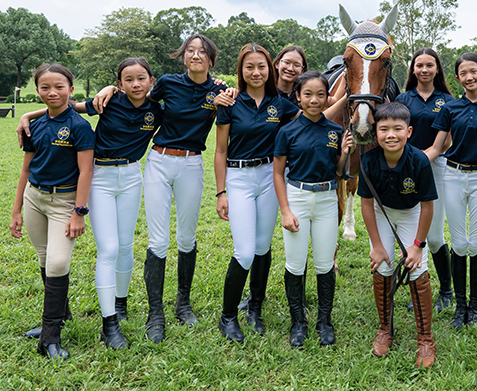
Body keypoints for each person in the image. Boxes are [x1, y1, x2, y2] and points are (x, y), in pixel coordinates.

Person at [18, 58, 163, 350]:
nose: (135, 84)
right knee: (108, 249)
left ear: (151, 81)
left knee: (125, 246)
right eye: (128, 79)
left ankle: (120, 305)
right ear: (119, 83)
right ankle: (109, 323)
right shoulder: (106, 102)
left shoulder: (157, 110)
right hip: (101, 178)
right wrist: (28, 116)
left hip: (133, 175)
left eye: (141, 79)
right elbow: (64, 106)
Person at [92, 34, 229, 343]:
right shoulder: (167, 83)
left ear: (211, 59)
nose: (195, 56)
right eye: (190, 51)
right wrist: (111, 88)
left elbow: (235, 106)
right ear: (183, 57)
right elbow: (137, 97)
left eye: (202, 52)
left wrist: (227, 93)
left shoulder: (219, 90)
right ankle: (156, 314)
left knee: (186, 237)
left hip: (192, 164)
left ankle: (183, 302)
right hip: (159, 161)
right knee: (158, 240)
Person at [215, 44, 299, 342]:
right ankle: (227, 317)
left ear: (270, 69)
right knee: (245, 250)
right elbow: (221, 150)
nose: (256, 72)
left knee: (263, 247)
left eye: (261, 66)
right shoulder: (229, 102)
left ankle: (255, 307)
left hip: (269, 177)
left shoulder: (281, 103)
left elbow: (315, 114)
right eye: (249, 66)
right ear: (241, 70)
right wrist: (221, 192)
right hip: (238, 177)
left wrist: (345, 97)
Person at [10, 63, 94, 359]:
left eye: (59, 86)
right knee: (45, 258)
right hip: (35, 198)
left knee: (58, 263)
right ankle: (61, 313)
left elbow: (86, 172)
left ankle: (49, 338)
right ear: (37, 91)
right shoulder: (33, 124)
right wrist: (17, 209)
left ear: (71, 90)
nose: (52, 92)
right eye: (45, 87)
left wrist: (79, 212)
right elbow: (25, 168)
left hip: (64, 203)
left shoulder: (80, 127)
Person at [426, 52, 477, 329]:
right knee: (459, 243)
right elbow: (437, 148)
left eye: (473, 71)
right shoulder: (450, 108)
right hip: (453, 175)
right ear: (457, 78)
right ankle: (460, 306)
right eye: (463, 73)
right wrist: (407, 162)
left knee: (476, 244)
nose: (469, 77)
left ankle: (475, 306)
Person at [273, 71, 352, 347]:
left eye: (320, 94)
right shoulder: (287, 131)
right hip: (297, 197)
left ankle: (324, 321)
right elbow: (277, 173)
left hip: (327, 199)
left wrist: (343, 153)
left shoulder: (335, 131)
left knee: (324, 263)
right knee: (295, 263)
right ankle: (298, 322)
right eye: (308, 94)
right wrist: (285, 210)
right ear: (298, 97)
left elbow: (341, 172)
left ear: (327, 97)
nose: (314, 100)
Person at [361, 102, 438, 368]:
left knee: (417, 270)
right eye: (384, 129)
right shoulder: (369, 160)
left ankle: (425, 338)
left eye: (397, 129)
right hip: (382, 213)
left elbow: (427, 206)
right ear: (375, 132)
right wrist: (377, 245)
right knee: (382, 265)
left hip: (411, 213)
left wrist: (417, 245)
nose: (391, 135)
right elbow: (366, 204)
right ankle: (385, 328)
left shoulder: (419, 160)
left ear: (409, 131)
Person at [395, 48, 455, 313]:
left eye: (429, 65)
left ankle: (446, 290)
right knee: (409, 231)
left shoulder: (447, 100)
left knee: (433, 235)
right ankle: (416, 286)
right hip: (404, 168)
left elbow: (448, 140)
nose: (424, 70)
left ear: (437, 69)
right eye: (419, 65)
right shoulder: (403, 98)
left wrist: (426, 157)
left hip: (435, 167)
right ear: (413, 70)